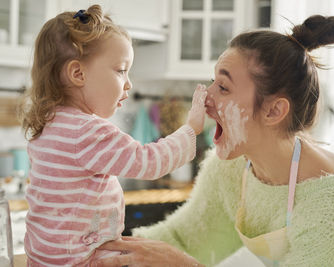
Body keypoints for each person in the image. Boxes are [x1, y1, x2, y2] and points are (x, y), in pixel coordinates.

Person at [93, 14, 334, 267]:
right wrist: (102, 254)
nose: (206, 97)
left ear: (274, 110)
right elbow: (186, 239)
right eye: (213, 81)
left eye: (223, 87)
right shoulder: (232, 169)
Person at [19, 5, 207, 266]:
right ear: (78, 73)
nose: (129, 83)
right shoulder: (87, 131)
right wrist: (191, 129)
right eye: (120, 70)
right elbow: (149, 161)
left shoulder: (48, 123)